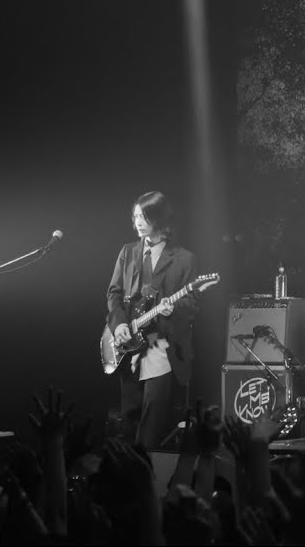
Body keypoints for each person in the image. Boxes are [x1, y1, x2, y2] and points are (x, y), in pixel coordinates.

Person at [106, 191, 200, 449]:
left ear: (159, 219)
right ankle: (129, 465)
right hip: (131, 344)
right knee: (129, 417)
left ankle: (146, 464)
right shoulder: (128, 252)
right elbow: (114, 293)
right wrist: (119, 324)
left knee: (152, 420)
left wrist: (173, 309)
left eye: (144, 216)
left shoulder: (184, 258)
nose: (137, 222)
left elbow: (192, 305)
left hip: (161, 345)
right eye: (135, 216)